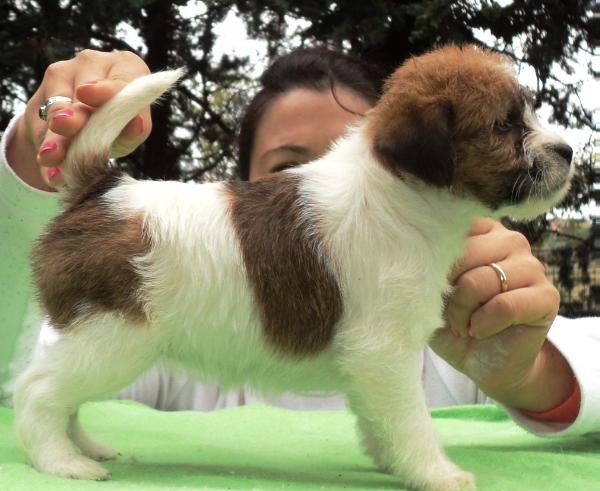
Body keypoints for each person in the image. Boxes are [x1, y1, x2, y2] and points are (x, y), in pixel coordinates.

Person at [1, 48, 599, 436]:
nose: (320, 197)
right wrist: (30, 176)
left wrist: (534, 375)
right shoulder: (163, 243)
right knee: (102, 354)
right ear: (240, 184)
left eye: (344, 164)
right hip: (133, 255)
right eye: (291, 173)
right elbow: (34, 350)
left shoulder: (454, 287)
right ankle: (48, 415)